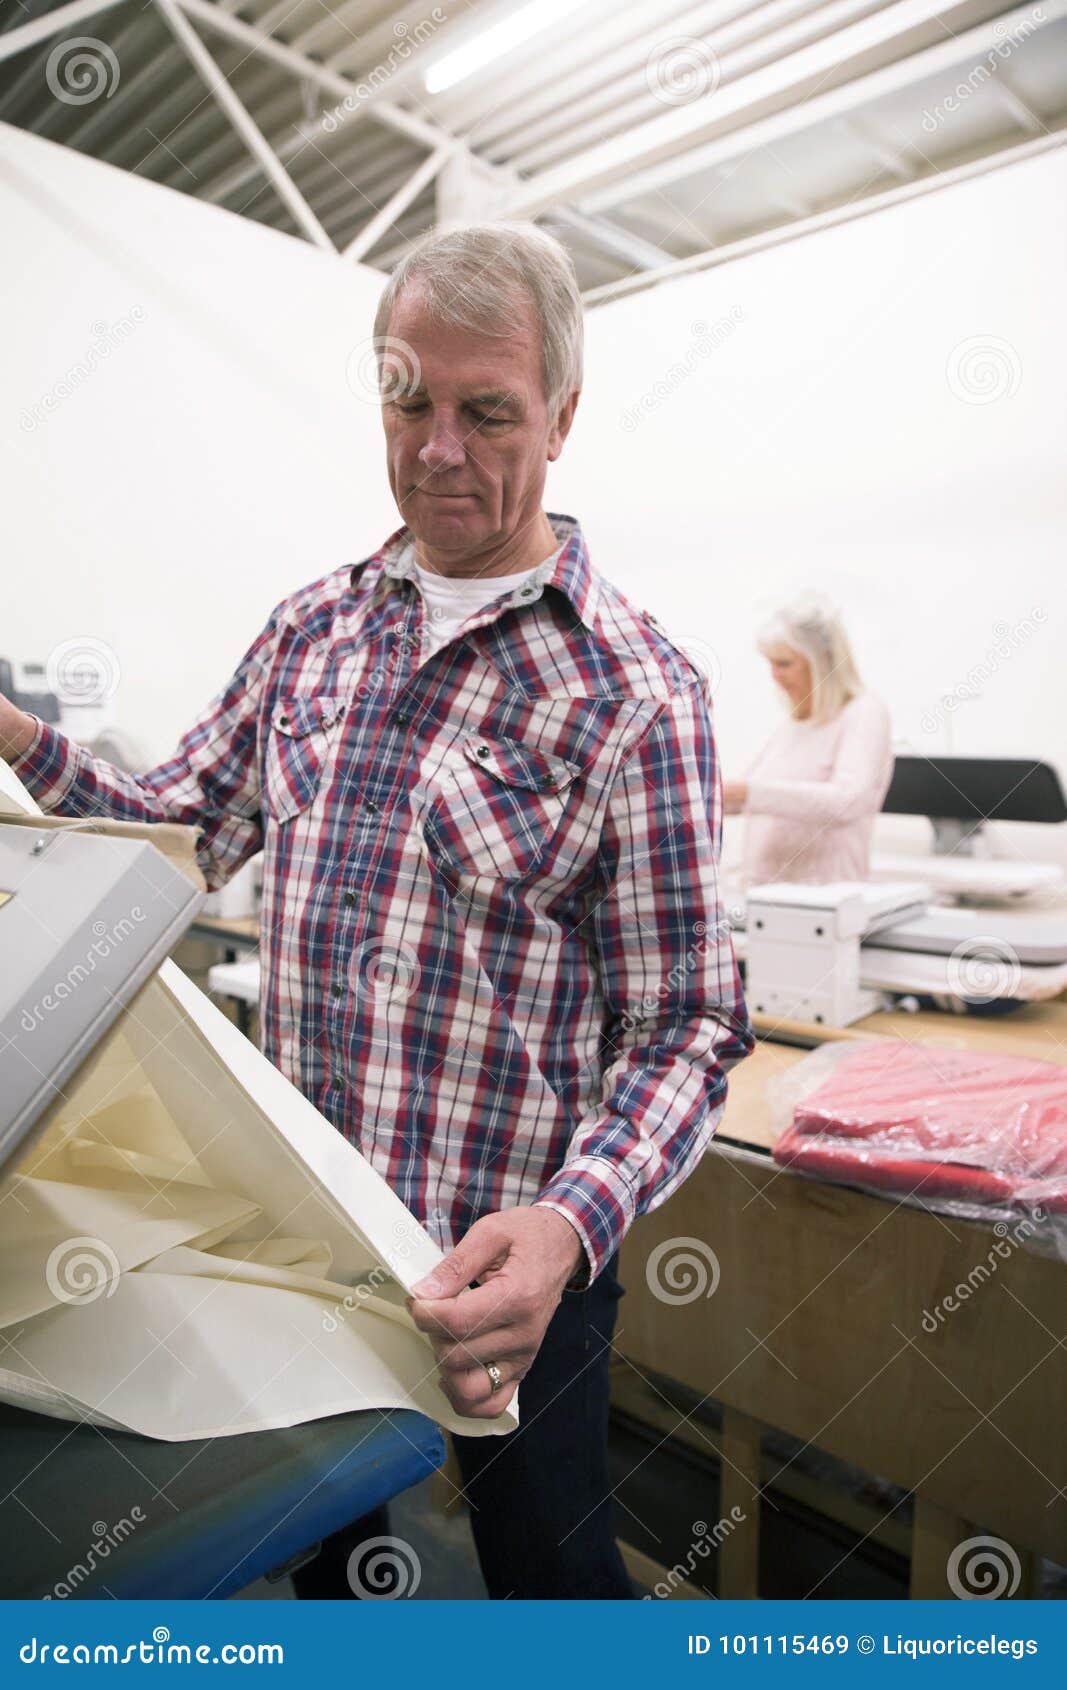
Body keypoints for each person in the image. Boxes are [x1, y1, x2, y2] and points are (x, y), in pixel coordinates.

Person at [0, 221, 752, 1600]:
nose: (438, 448)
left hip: (512, 1263)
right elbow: (177, 833)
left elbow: (686, 1023)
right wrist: (8, 737)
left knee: (548, 1575)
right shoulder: (312, 634)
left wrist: (570, 1224)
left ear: (562, 417)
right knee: (339, 1558)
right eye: (409, 401)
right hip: (311, 1245)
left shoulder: (634, 690)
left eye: (486, 412)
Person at [723, 596, 892, 886]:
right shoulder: (793, 724)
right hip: (765, 894)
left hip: (825, 900)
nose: (774, 676)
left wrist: (746, 793)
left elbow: (847, 801)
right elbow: (741, 796)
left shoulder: (864, 713)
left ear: (822, 662)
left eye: (784, 663)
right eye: (770, 664)